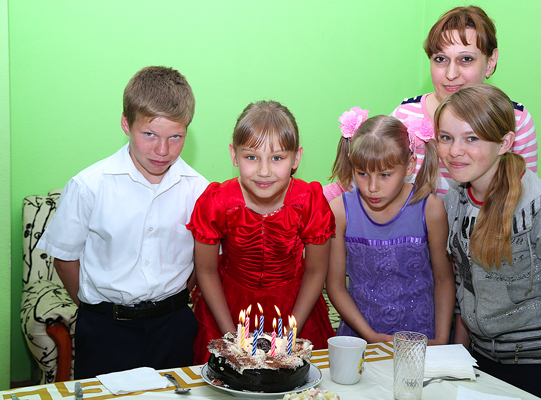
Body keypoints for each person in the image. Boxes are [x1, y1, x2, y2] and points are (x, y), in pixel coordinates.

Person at [323, 4, 541, 284]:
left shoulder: (515, 119)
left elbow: (528, 203)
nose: (451, 73)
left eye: (466, 59)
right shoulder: (406, 116)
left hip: (486, 271)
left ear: (490, 62)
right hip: (417, 271)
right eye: (440, 59)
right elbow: (370, 182)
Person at [37, 66, 209, 379]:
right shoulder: (89, 185)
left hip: (173, 327)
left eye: (175, 137)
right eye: (149, 135)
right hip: (104, 330)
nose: (162, 150)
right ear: (126, 123)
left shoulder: (199, 190)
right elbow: (65, 259)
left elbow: (202, 260)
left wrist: (174, 300)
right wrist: (98, 310)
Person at [437, 83, 541, 400]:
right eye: (446, 137)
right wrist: (458, 359)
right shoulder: (456, 199)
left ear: (505, 142)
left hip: (538, 366)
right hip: (479, 360)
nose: (454, 150)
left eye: (471, 138)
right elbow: (465, 285)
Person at [187, 100, 336, 364]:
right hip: (227, 309)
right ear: (234, 155)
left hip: (296, 310)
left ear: (296, 158)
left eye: (277, 158)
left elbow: (315, 272)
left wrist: (290, 335)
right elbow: (206, 271)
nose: (264, 171)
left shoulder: (310, 201)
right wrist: (231, 337)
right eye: (251, 157)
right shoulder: (216, 201)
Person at [326, 108, 455, 345]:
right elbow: (335, 285)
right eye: (362, 173)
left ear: (410, 165)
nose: (372, 187)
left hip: (422, 339)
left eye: (385, 175)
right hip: (360, 339)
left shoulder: (431, 209)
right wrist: (370, 336)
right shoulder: (339, 211)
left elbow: (444, 280)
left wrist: (442, 338)